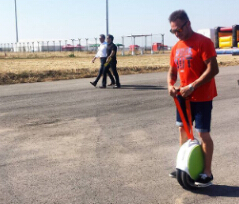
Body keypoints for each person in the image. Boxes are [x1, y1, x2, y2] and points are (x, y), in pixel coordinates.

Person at [167, 10, 219, 187]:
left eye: (178, 30)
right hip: (183, 95)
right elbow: (172, 71)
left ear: (188, 24)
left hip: (202, 96)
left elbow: (213, 70)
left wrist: (193, 86)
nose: (176, 34)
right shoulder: (176, 48)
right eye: (173, 31)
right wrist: (170, 85)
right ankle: (184, 166)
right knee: (183, 131)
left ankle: (207, 173)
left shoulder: (203, 42)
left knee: (203, 134)